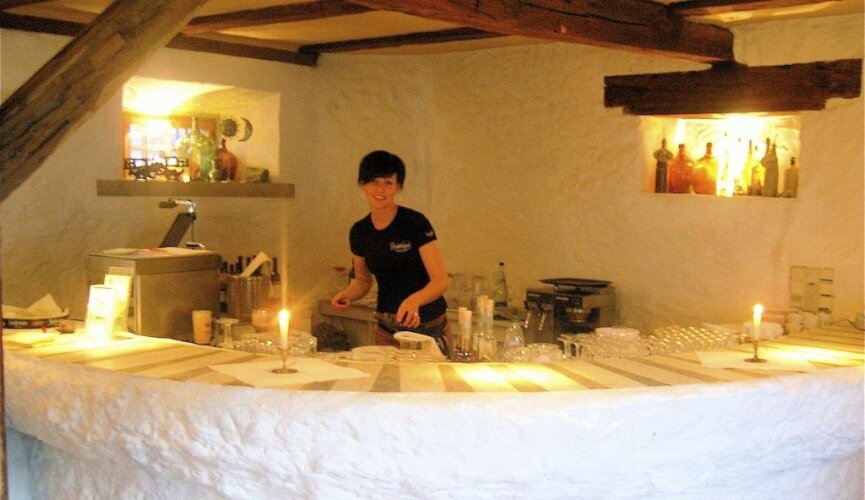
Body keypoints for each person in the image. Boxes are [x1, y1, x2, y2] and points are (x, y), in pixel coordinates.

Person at [331, 150, 452, 356]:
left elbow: (441, 281)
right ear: (363, 184)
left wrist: (415, 300)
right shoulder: (359, 231)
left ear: (398, 187)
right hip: (387, 331)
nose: (380, 189)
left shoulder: (414, 222)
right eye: (374, 182)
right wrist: (347, 295)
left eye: (388, 183)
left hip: (428, 330)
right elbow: (362, 281)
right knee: (384, 376)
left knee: (433, 378)